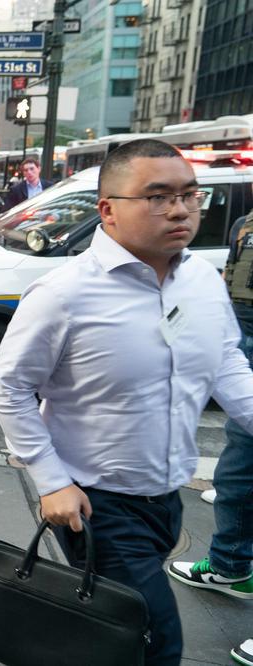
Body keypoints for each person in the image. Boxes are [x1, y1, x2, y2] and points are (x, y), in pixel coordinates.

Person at [0, 139, 253, 666]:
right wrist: (51, 480)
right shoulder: (64, 293)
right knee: (156, 640)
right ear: (107, 209)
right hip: (95, 503)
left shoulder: (201, 279)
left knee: (109, 640)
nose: (179, 209)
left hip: (165, 497)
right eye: (156, 196)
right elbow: (10, 385)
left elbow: (225, 360)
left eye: (188, 195)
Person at [168, 205, 253, 665]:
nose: (179, 209)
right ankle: (230, 566)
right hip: (245, 335)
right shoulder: (243, 224)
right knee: (239, 472)